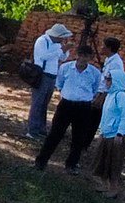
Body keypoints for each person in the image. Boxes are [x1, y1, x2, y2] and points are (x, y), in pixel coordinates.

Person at [35, 43, 106, 171]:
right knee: (55, 133)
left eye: (86, 56)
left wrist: (85, 97)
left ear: (90, 58)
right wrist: (67, 94)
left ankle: (71, 164)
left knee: (79, 137)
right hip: (66, 104)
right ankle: (41, 161)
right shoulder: (65, 68)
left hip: (84, 106)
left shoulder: (94, 73)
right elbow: (60, 83)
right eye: (81, 55)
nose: (83, 59)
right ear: (77, 55)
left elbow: (96, 88)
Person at [25, 21, 71, 139]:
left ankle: (41, 128)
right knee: (37, 103)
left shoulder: (57, 44)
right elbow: (43, 56)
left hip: (52, 76)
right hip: (42, 75)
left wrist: (65, 50)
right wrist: (61, 49)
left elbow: (62, 58)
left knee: (44, 103)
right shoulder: (42, 41)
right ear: (56, 36)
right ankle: (32, 130)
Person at [92, 67, 125, 182]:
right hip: (107, 133)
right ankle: (105, 185)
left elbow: (124, 116)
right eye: (106, 79)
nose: (106, 81)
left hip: (116, 135)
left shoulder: (120, 96)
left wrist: (119, 133)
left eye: (109, 79)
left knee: (114, 163)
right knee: (104, 162)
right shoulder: (110, 95)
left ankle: (113, 188)